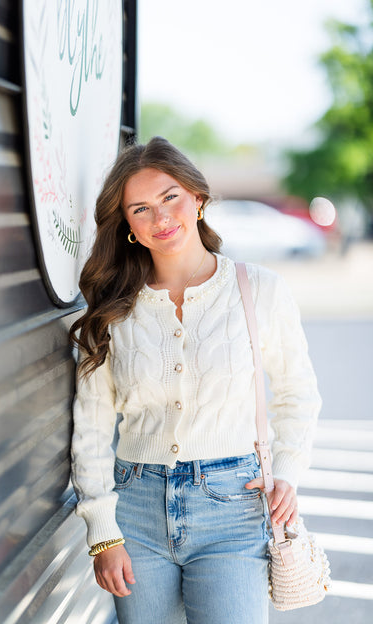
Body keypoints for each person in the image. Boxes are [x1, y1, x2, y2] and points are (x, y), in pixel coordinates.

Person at [70, 136, 322, 624]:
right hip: (135, 511)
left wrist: (288, 469)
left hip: (235, 509)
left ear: (198, 198)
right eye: (141, 209)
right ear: (127, 227)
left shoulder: (260, 290)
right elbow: (92, 424)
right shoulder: (114, 309)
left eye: (170, 198)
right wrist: (102, 531)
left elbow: (297, 394)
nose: (161, 219)